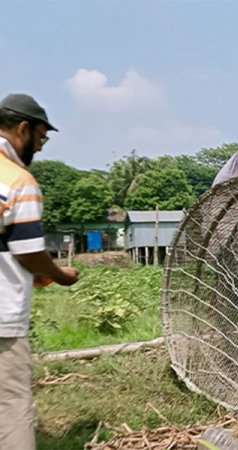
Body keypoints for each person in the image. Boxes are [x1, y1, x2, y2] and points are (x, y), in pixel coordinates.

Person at [0, 93, 80, 449]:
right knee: (12, 403)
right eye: (41, 138)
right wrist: (60, 275)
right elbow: (29, 251)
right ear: (22, 128)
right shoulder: (17, 180)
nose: (42, 148)